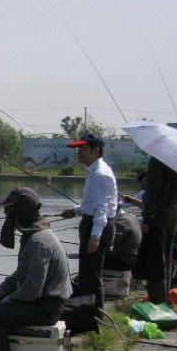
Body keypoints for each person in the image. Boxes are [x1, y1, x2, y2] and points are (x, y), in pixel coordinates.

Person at [0, 187, 71, 351]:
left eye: (7, 210)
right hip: (38, 302)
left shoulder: (39, 241)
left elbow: (31, 289)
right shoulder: (32, 237)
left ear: (17, 213)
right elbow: (18, 277)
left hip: (46, 308)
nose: (4, 215)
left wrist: (5, 302)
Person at [60, 133, 118, 312]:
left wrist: (94, 237)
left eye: (83, 149)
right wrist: (75, 210)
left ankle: (96, 317)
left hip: (96, 226)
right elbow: (92, 204)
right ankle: (88, 314)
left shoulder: (99, 175)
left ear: (96, 151)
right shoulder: (96, 171)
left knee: (91, 276)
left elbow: (101, 209)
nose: (79, 152)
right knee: (87, 274)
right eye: (78, 149)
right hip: (94, 222)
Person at [139, 157, 177, 304]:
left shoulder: (157, 159)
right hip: (173, 212)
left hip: (159, 213)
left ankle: (157, 300)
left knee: (155, 258)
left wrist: (146, 218)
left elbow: (152, 190)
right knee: (168, 255)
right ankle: (166, 295)